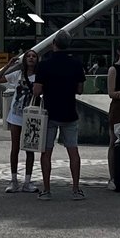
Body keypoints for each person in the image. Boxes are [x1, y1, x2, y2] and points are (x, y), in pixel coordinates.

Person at [34, 41, 88, 200]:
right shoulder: (76, 64)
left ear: (53, 45)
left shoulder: (44, 65)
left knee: (46, 152)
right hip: (69, 112)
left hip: (49, 113)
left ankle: (46, 189)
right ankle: (76, 189)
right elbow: (80, 89)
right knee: (73, 151)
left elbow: (36, 91)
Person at [3, 48, 38, 193]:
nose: (31, 58)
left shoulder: (40, 76)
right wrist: (9, 65)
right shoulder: (17, 74)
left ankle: (28, 181)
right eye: (28, 56)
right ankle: (13, 179)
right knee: (15, 148)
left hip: (32, 115)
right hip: (16, 115)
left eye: (33, 56)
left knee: (30, 149)